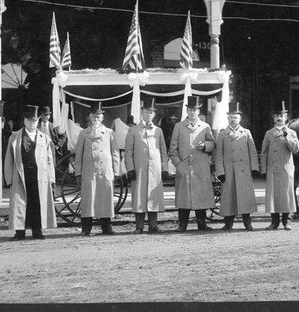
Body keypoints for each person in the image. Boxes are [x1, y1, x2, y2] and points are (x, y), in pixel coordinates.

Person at [4, 105, 57, 240]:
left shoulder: (44, 138)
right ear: (24, 121)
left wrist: (51, 178)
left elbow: (50, 160)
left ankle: (37, 231)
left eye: (35, 121)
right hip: (21, 175)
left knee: (37, 203)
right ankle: (19, 233)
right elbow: (9, 160)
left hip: (39, 176)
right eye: (30, 121)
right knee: (20, 204)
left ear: (38, 121)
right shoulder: (15, 137)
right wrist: (9, 179)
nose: (33, 124)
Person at [168, 96, 216, 232]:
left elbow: (213, 144)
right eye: (190, 110)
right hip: (185, 167)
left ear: (198, 111)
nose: (192, 113)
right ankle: (182, 224)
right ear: (187, 111)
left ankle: (202, 223)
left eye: (195, 110)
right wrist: (179, 165)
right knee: (184, 197)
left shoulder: (205, 127)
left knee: (201, 196)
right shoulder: (179, 127)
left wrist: (205, 145)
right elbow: (172, 150)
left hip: (200, 167)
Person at [75, 102, 120, 236]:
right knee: (88, 200)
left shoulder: (109, 133)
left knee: (105, 198)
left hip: (104, 171)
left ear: (102, 118)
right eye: (93, 117)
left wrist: (116, 171)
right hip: (89, 171)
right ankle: (86, 228)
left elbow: (115, 152)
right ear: (90, 117)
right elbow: (78, 155)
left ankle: (106, 227)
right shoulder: (84, 133)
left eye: (98, 117)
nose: (96, 119)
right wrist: (78, 172)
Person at [125, 98, 169, 234]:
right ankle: (139, 227)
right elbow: (128, 152)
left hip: (154, 169)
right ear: (141, 113)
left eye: (151, 113)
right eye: (146, 112)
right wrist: (130, 168)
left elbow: (163, 150)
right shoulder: (133, 131)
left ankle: (153, 225)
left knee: (153, 196)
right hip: (139, 168)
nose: (148, 115)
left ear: (154, 115)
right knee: (139, 195)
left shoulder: (158, 131)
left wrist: (164, 168)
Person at [214, 102, 260, 231]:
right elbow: (219, 155)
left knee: (245, 197)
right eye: (231, 118)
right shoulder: (223, 134)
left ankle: (247, 223)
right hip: (228, 171)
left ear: (240, 119)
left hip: (243, 171)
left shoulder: (246, 133)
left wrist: (254, 168)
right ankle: (228, 223)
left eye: (236, 118)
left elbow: (252, 151)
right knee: (229, 198)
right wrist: (220, 172)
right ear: (227, 119)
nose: (233, 120)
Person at [260, 101, 299, 230]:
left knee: (286, 194)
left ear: (286, 117)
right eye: (276, 116)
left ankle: (286, 221)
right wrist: (263, 169)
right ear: (273, 118)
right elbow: (264, 152)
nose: (279, 118)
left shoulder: (292, 133)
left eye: (281, 116)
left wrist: (287, 136)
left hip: (286, 168)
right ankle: (274, 221)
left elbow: (296, 149)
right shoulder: (269, 133)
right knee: (273, 195)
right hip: (273, 169)